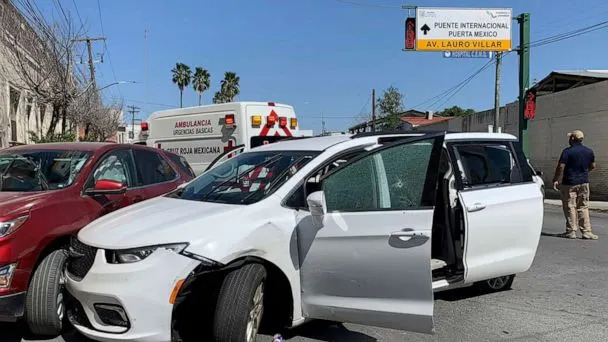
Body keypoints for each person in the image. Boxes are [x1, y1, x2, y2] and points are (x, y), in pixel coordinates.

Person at [552, 130, 598, 240]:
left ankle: (571, 231)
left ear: (572, 139)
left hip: (570, 182)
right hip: (584, 182)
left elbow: (561, 167)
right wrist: (583, 173)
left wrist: (555, 179)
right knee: (583, 206)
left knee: (570, 206)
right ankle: (586, 231)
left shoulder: (567, 152)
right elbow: (592, 166)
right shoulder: (589, 151)